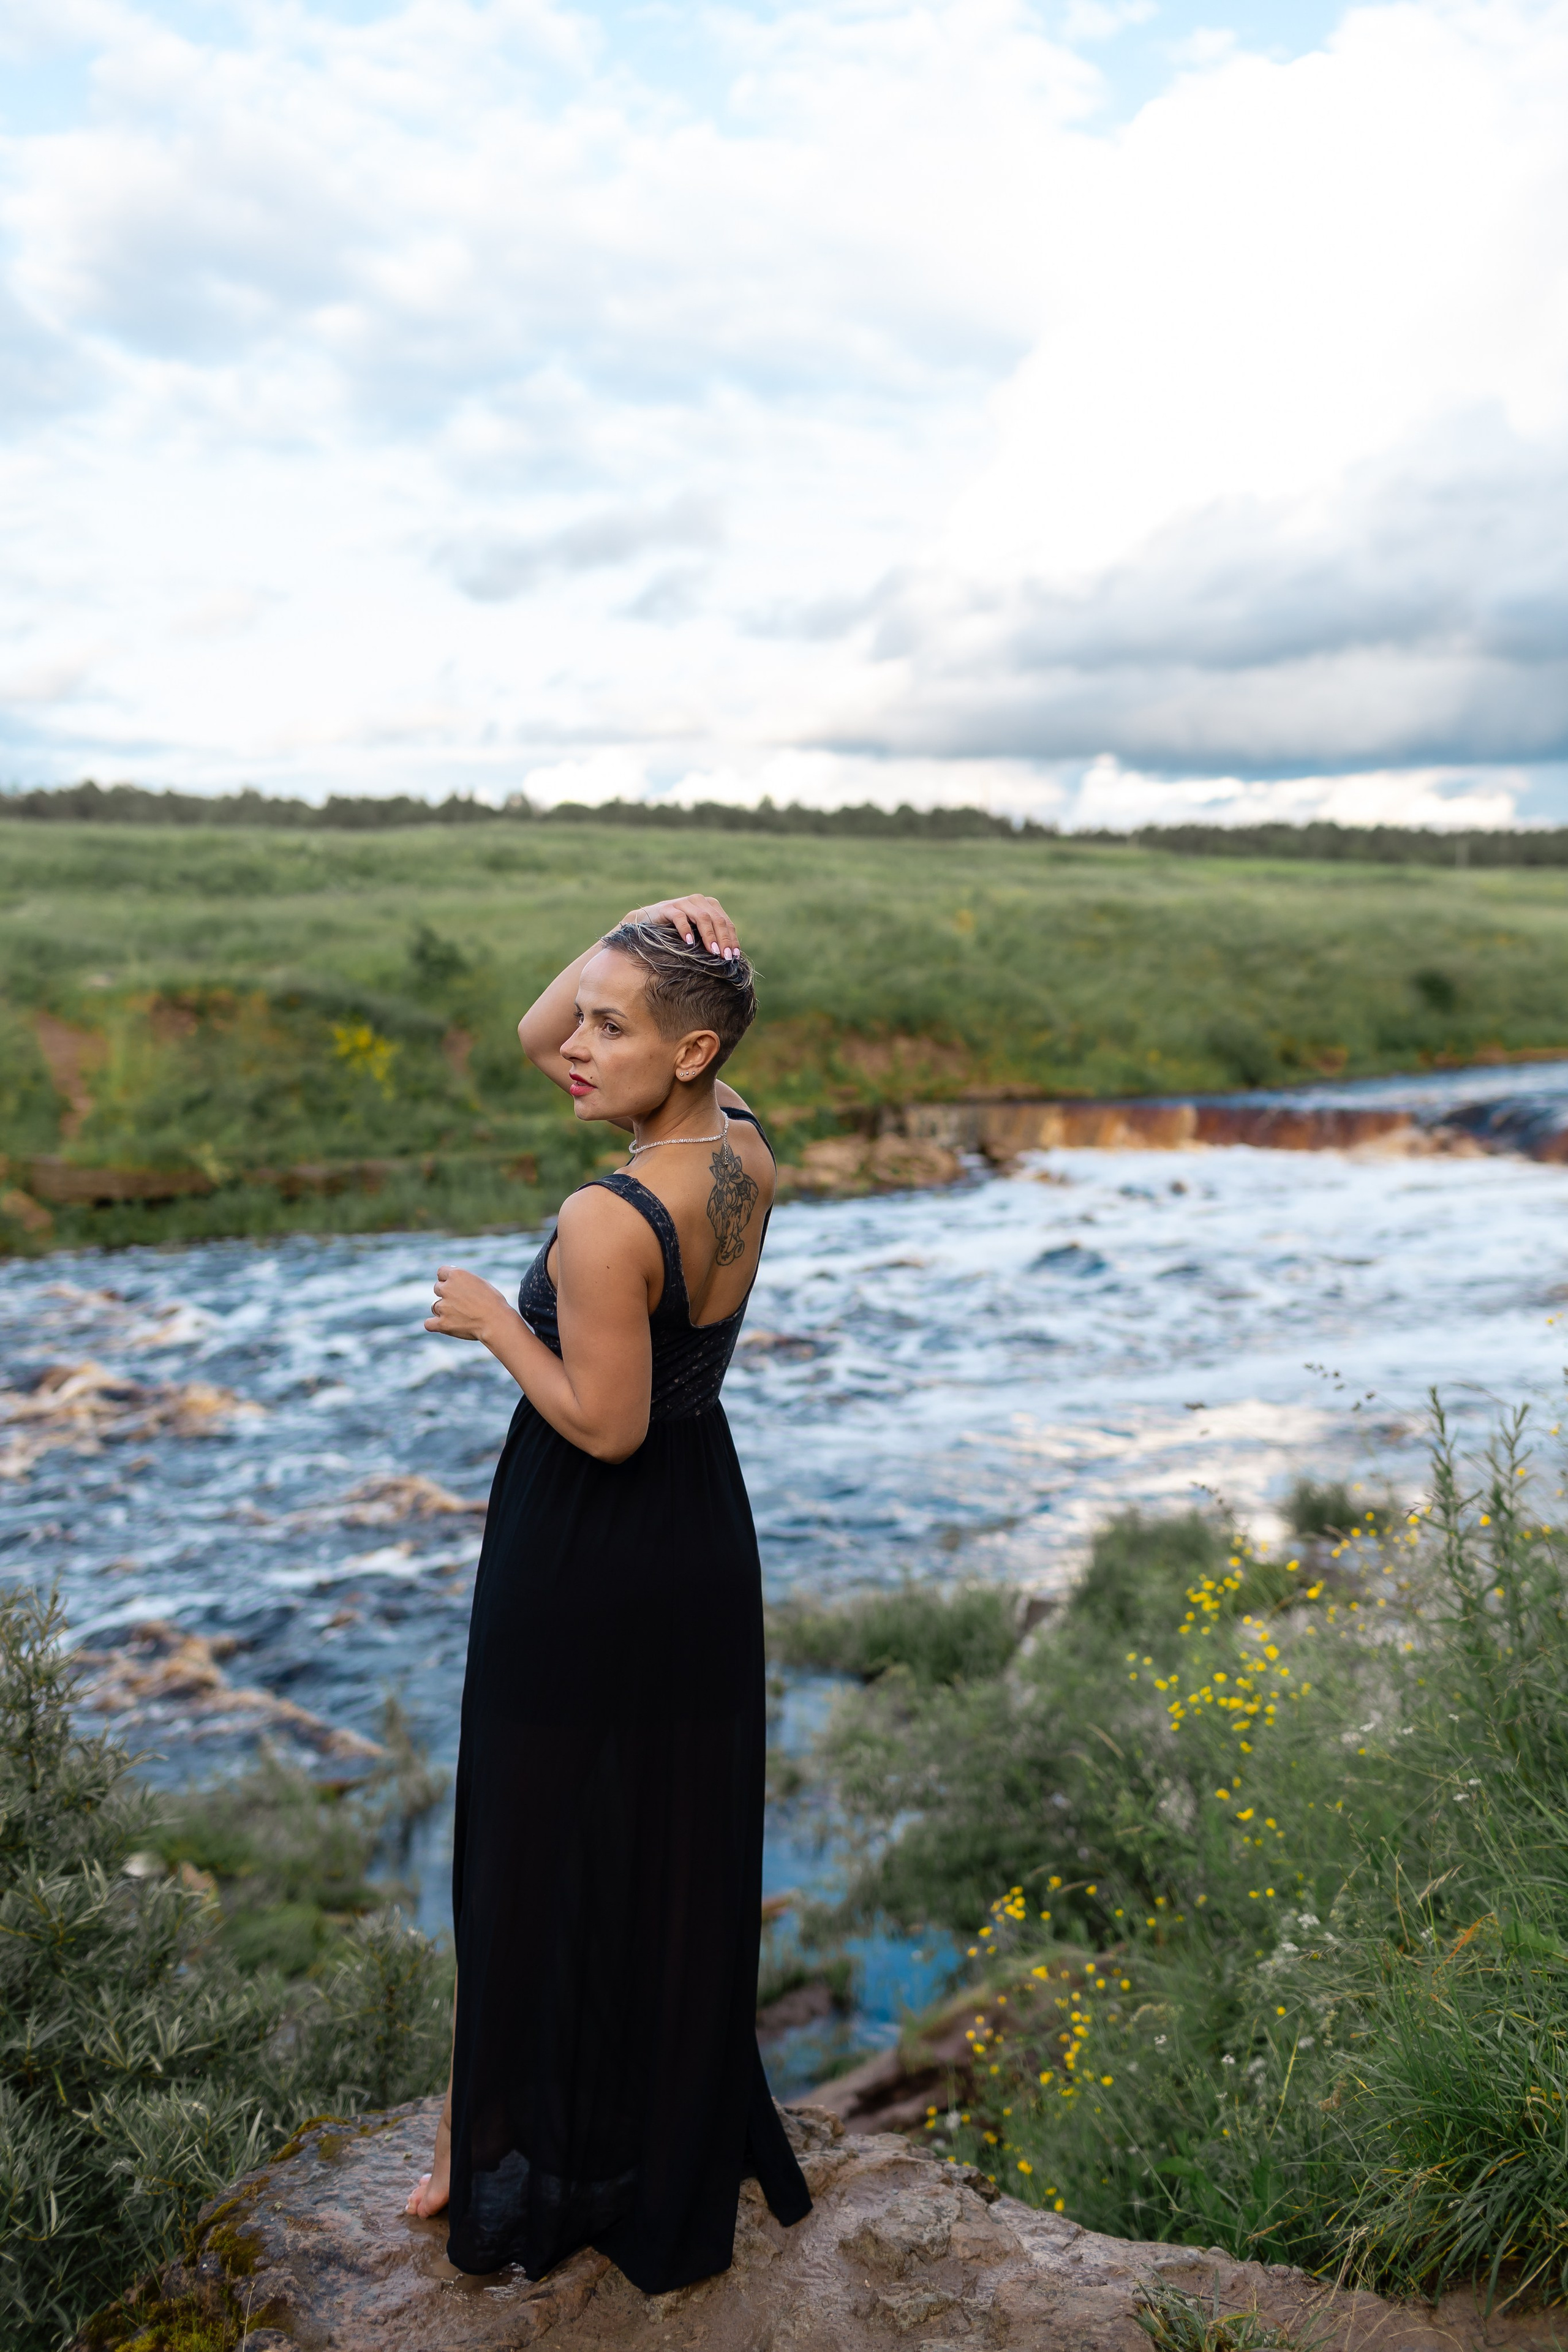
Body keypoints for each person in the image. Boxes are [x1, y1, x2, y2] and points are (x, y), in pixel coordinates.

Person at [405, 892, 811, 2293]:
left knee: (525, 1837)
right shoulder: (739, 1144)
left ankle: (483, 2137)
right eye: (584, 1018)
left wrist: (492, 1323)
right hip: (699, 1532)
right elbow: (547, 1031)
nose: (569, 1046)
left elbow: (603, 1423)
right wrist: (636, 927)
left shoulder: (603, 1216)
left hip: (585, 1540)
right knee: (661, 1830)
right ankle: (624, 2115)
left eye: (609, 1027)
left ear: (687, 1052)